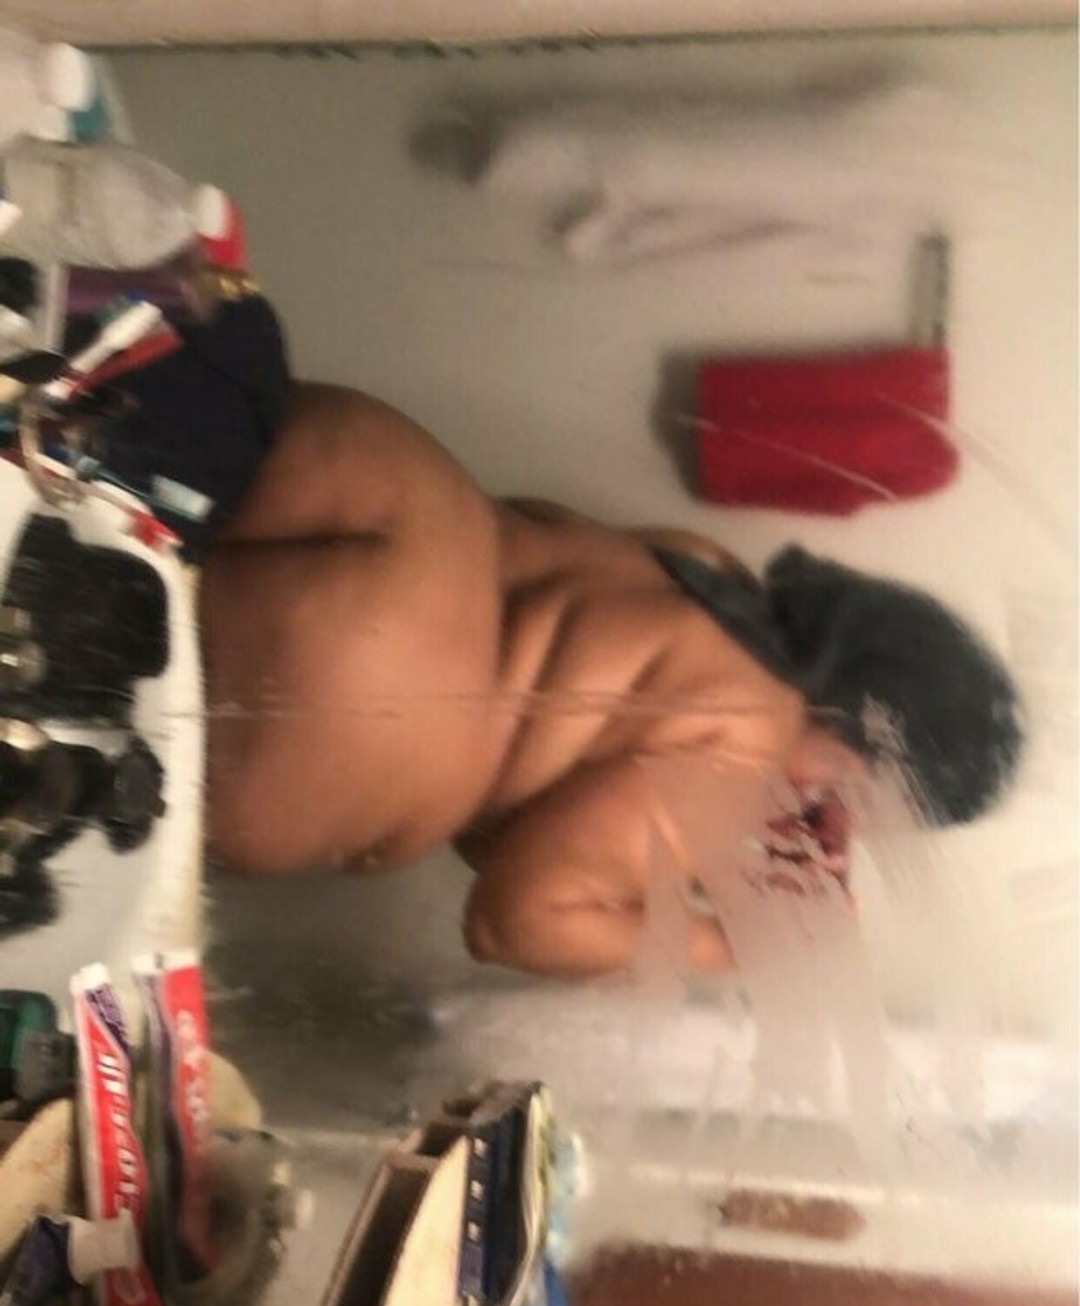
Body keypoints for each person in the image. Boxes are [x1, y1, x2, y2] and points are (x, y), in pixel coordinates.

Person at [66, 295, 1021, 978]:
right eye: (855, 808)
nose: (825, 824)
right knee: (59, 736)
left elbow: (546, 753)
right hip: (373, 704)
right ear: (856, 760)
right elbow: (521, 912)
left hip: (385, 478)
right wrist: (730, 943)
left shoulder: (710, 569)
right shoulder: (742, 763)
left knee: (54, 505)